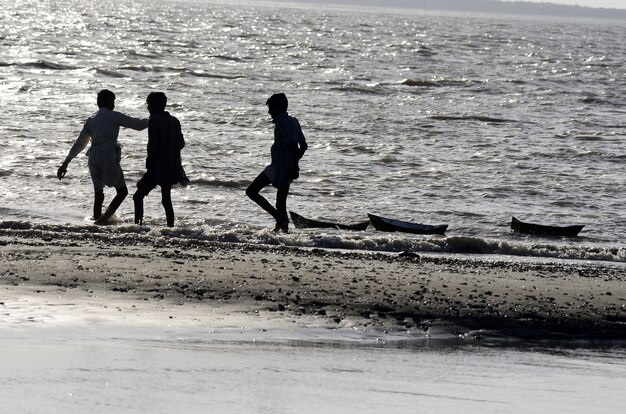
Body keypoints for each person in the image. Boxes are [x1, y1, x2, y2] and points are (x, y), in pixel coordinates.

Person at [57, 89, 148, 224]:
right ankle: (103, 219)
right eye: (113, 101)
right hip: (107, 154)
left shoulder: (91, 119)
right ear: (109, 102)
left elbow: (80, 144)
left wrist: (66, 163)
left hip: (93, 155)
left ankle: (96, 217)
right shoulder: (114, 116)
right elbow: (138, 125)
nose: (114, 104)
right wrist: (153, 119)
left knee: (98, 192)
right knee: (122, 192)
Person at [246, 93, 308, 233]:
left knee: (251, 191)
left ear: (278, 108)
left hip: (279, 168)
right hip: (288, 169)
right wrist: (295, 164)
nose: (269, 112)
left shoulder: (281, 123)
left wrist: (292, 164)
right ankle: (283, 232)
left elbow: (292, 144)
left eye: (271, 108)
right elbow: (303, 146)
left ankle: (279, 218)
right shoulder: (294, 121)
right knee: (281, 203)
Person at [133, 92, 187, 227]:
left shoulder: (153, 121)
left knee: (138, 196)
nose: (147, 108)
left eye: (149, 105)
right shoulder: (175, 121)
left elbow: (153, 146)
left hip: (157, 168)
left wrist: (150, 168)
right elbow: (181, 144)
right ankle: (170, 227)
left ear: (156, 106)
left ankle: (138, 226)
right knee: (166, 200)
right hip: (172, 167)